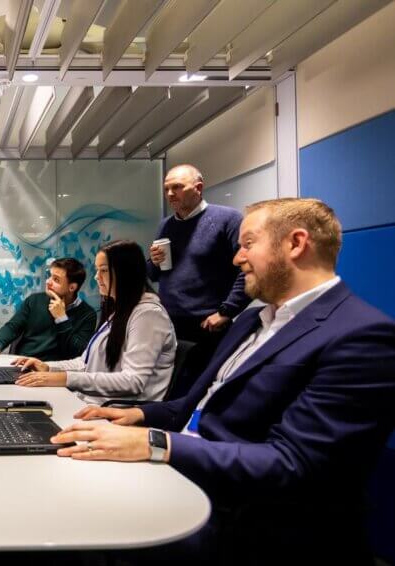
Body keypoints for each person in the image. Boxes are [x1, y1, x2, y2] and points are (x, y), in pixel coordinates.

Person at [52, 199, 395, 564]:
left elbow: (295, 464)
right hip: (190, 476)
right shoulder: (250, 322)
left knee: (77, 541)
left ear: (296, 244)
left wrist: (154, 443)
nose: (236, 258)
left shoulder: (362, 336)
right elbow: (190, 408)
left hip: (252, 525)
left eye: (248, 244)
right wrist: (134, 416)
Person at [12, 241, 176, 405]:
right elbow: (85, 363)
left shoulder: (149, 315)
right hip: (91, 403)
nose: (97, 277)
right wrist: (47, 368)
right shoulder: (121, 312)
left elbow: (133, 382)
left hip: (115, 413)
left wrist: (63, 378)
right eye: (97, 270)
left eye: (103, 270)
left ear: (125, 273)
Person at [147, 164, 252, 395]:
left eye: (177, 187)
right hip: (170, 326)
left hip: (209, 326)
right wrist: (153, 261)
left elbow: (247, 270)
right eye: (166, 189)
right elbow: (154, 275)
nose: (170, 194)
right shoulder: (166, 225)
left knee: (204, 393)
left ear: (199, 188)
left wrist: (226, 312)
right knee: (171, 393)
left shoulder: (228, 219)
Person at [0, 257, 96, 361]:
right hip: (21, 364)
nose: (48, 282)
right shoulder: (34, 301)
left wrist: (62, 318)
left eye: (56, 279)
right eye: (50, 276)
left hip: (52, 373)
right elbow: (12, 327)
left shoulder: (87, 315)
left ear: (72, 287)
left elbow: (78, 352)